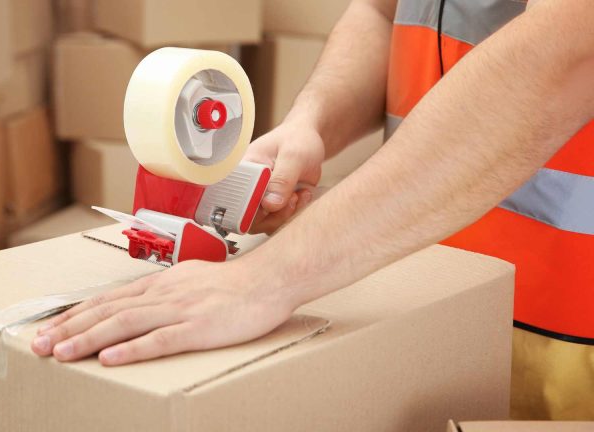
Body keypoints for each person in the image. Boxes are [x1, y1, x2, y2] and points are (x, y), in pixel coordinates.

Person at [31, 0, 593, 419]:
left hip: (567, 343)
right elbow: (383, 12)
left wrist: (268, 278)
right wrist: (311, 121)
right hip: (418, 293)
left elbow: (565, 53)